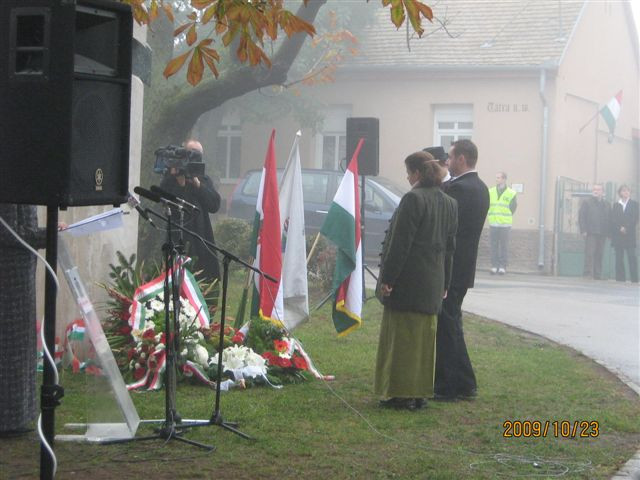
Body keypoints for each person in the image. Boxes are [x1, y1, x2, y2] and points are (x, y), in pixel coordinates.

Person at [374, 151, 458, 410]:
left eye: (409, 172)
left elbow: (400, 244)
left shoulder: (412, 199)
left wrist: (388, 278)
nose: (407, 177)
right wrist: (446, 282)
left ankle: (401, 394)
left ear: (418, 174)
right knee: (424, 343)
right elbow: (450, 248)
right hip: (433, 281)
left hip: (409, 281)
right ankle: (420, 392)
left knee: (403, 340)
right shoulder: (449, 203)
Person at [0, 204, 65, 436]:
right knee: (9, 349)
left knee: (20, 347)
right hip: (7, 274)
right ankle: (6, 420)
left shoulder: (24, 182)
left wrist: (48, 232)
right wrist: (46, 235)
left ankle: (18, 417)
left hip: (21, 270)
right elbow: (7, 231)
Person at [434, 139, 489, 401]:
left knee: (447, 326)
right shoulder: (480, 187)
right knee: (452, 323)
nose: (447, 161)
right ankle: (465, 383)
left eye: (451, 157)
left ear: (462, 159)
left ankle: (448, 386)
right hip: (463, 268)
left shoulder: (461, 189)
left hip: (453, 268)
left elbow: (443, 220)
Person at [159, 139, 222, 284]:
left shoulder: (203, 179)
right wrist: (180, 184)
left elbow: (214, 205)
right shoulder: (169, 180)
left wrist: (198, 184)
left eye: (197, 155)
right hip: (177, 238)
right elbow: (170, 204)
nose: (193, 158)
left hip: (201, 237)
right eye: (190, 154)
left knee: (204, 278)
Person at [488, 172, 517, 274]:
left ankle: (502, 266)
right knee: (494, 245)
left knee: (504, 246)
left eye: (498, 178)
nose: (497, 179)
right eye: (496, 178)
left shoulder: (511, 193)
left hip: (505, 224)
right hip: (493, 223)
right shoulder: (490, 191)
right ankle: (494, 265)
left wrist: (506, 215)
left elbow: (513, 207)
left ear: (504, 179)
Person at [578, 184, 610, 280]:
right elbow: (582, 217)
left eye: (598, 189)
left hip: (602, 232)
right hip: (591, 232)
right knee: (590, 253)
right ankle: (587, 274)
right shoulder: (587, 202)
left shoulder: (607, 204)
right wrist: (583, 230)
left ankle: (597, 274)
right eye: (594, 189)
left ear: (602, 192)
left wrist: (609, 232)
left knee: (599, 254)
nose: (596, 191)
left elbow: (609, 219)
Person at [610, 185, 639, 283]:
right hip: (618, 236)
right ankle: (620, 279)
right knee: (619, 258)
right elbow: (613, 219)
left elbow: (634, 218)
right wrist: (620, 228)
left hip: (629, 235)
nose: (626, 192)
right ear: (620, 193)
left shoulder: (634, 204)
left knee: (631, 257)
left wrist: (626, 227)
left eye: (628, 191)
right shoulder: (616, 205)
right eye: (624, 191)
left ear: (630, 193)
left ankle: (634, 279)